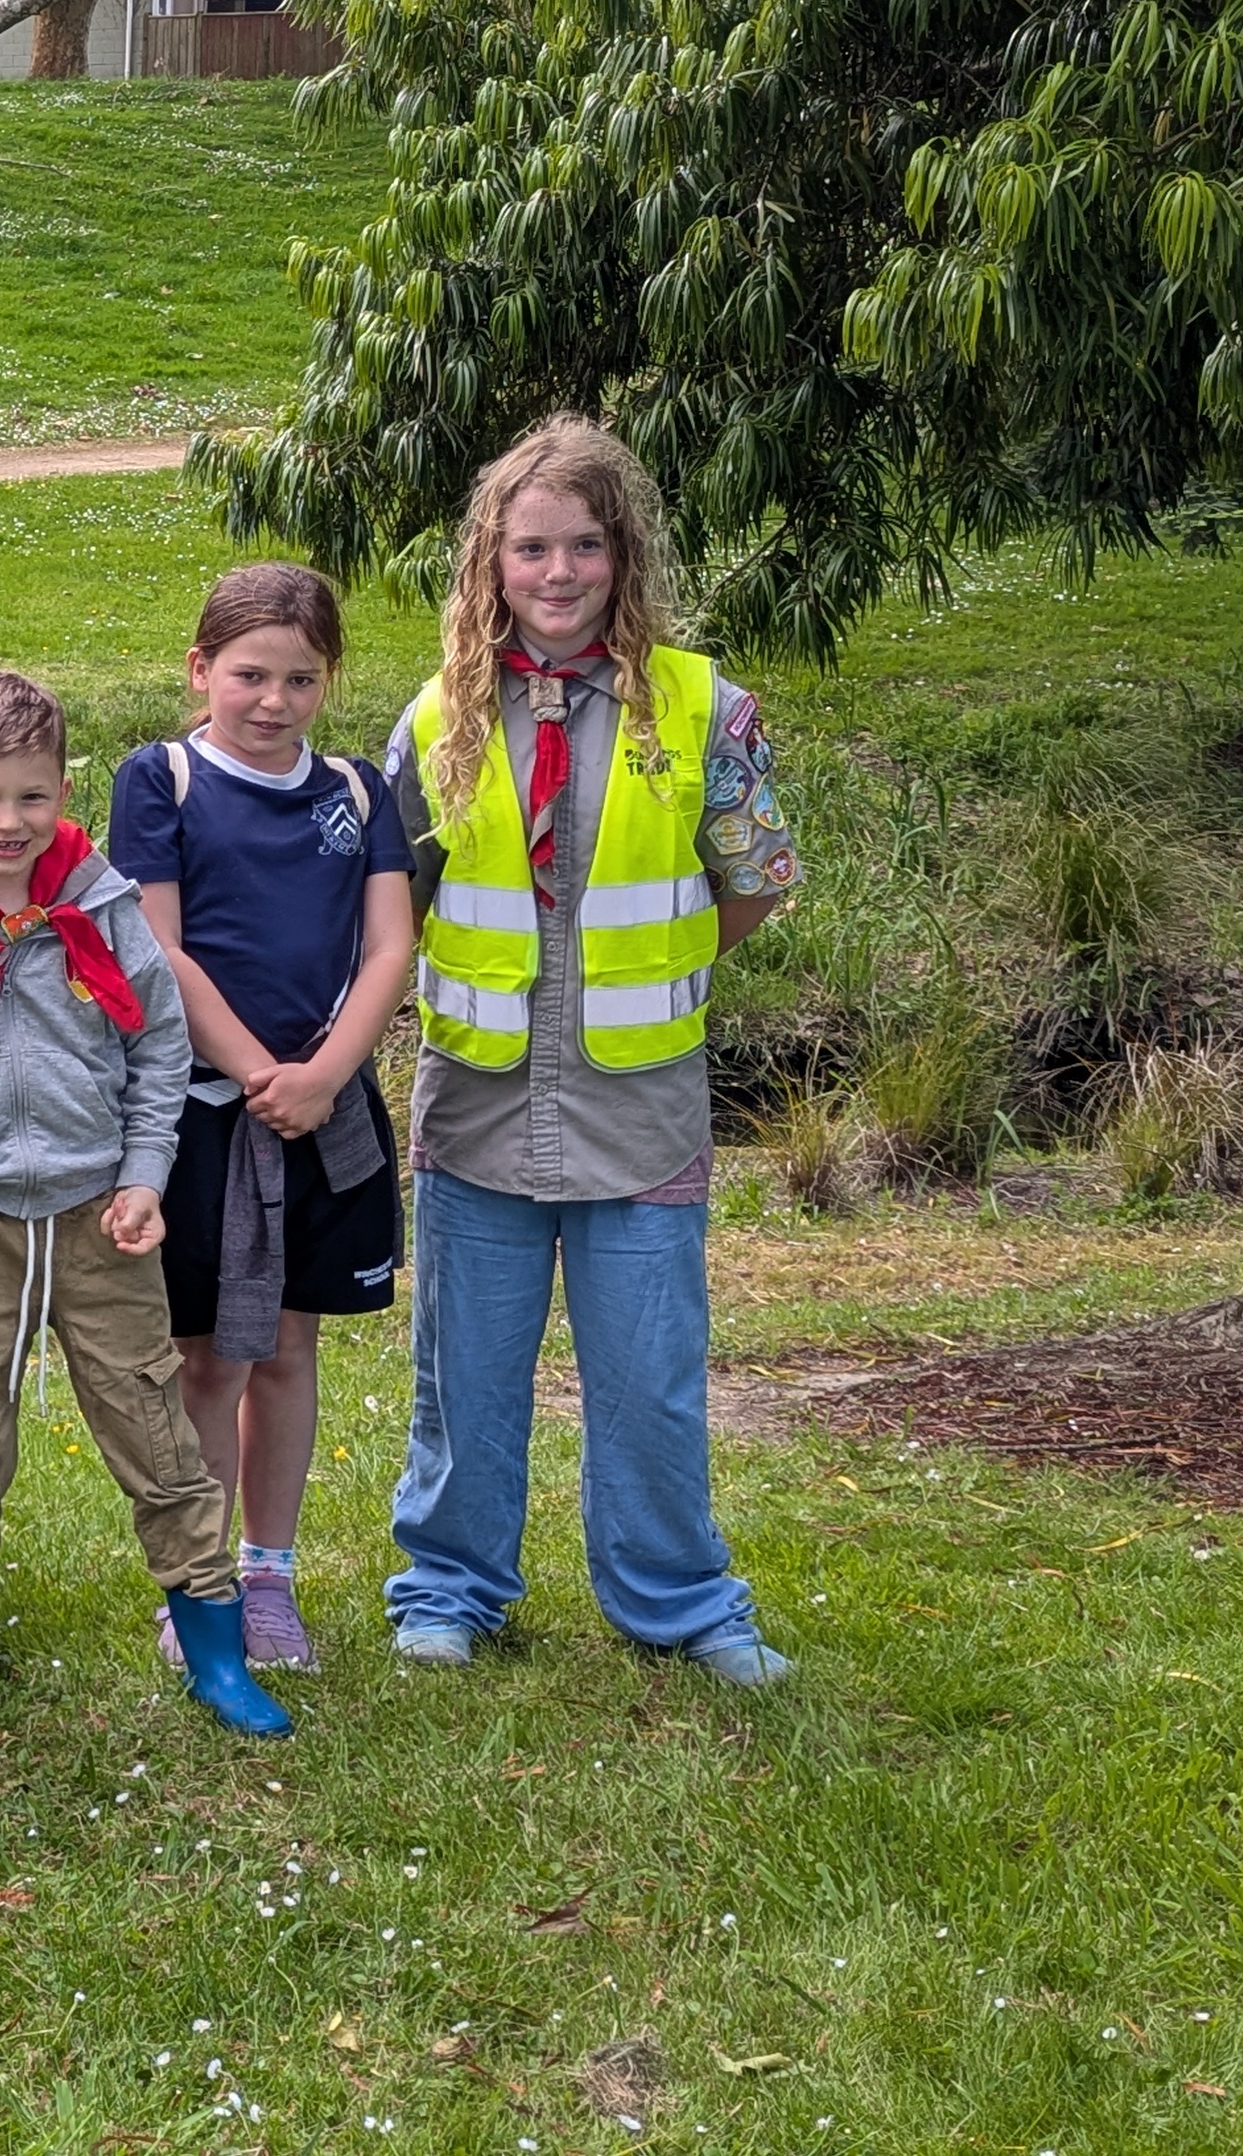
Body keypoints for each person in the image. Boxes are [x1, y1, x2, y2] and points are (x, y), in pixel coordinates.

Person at [380, 415, 797, 1686]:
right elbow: (392, 905)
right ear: (490, 563)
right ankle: (450, 1589)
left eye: (584, 546)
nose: (557, 573)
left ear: (624, 554)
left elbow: (754, 882)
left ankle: (680, 1600)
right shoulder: (439, 717)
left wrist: (655, 966)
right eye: (530, 549)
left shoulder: (704, 707)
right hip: (479, 1103)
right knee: (465, 1375)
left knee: (650, 1377)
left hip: (641, 1103)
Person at [0, 671, 292, 1738]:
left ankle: (215, 1650)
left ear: (64, 792)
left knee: (154, 1425)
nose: (8, 822)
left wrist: (144, 1173)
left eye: (33, 797)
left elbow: (159, 1045)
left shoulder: (102, 904)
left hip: (101, 1208)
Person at [109, 564, 416, 1675]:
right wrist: (257, 1075)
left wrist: (326, 1075)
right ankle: (199, 1586)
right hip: (210, 1117)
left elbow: (390, 944)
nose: (273, 700)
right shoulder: (163, 780)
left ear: (329, 682)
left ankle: (270, 1576)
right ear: (200, 670)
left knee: (288, 1345)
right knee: (211, 1356)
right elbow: (160, 949)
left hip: (326, 1109)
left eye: (300, 679)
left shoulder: (359, 791)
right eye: (248, 675)